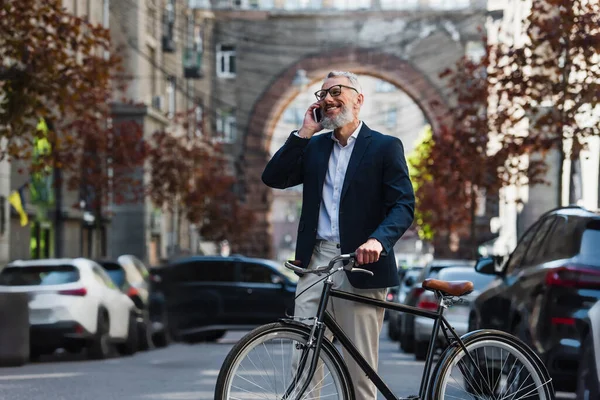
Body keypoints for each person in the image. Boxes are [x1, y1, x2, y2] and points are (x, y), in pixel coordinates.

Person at [262, 71, 415, 399]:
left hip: (361, 264)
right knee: (303, 358)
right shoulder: (315, 147)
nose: (327, 99)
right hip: (316, 262)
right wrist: (303, 133)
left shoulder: (385, 147)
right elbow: (273, 177)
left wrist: (378, 240)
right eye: (322, 94)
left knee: (359, 370)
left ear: (358, 100)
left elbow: (402, 205)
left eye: (335, 92)